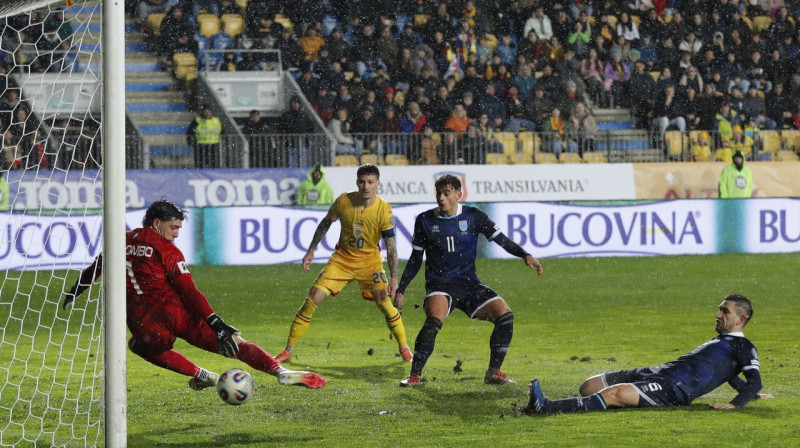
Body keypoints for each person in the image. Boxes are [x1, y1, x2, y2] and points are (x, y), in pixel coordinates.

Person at [62, 200, 326, 392]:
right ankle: (279, 371)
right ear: (157, 223)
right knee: (234, 343)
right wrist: (216, 323)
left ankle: (201, 374)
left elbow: (96, 268)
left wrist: (75, 290)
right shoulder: (168, 251)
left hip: (145, 324)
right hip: (178, 313)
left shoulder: (121, 240)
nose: (176, 234)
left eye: (179, 228)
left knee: (138, 346)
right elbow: (189, 290)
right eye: (173, 227)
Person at [396, 175, 543, 387]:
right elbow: (415, 258)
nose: (441, 198)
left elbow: (501, 240)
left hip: (469, 283)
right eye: (438, 193)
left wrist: (525, 255)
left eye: (446, 193)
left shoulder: (474, 216)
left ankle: (493, 372)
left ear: (458, 194)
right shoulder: (425, 220)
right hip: (440, 284)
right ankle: (414, 376)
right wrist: (401, 289)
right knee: (434, 321)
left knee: (505, 316)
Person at [525, 294, 764, 414]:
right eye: (719, 309)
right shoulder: (721, 343)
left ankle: (545, 408)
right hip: (657, 372)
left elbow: (755, 380)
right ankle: (619, 400)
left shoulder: (744, 346)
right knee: (589, 386)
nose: (718, 314)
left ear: (741, 319)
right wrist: (751, 394)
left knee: (614, 393)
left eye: (725, 311)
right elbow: (730, 376)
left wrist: (735, 404)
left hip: (672, 389)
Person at [274, 164, 412, 363]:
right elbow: (325, 223)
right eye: (362, 182)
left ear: (378, 184)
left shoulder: (384, 210)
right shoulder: (343, 201)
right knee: (313, 297)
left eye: (370, 182)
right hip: (342, 260)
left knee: (384, 302)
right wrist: (311, 249)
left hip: (370, 263)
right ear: (357, 182)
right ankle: (288, 350)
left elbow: (391, 249)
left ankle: (405, 348)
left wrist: (394, 279)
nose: (366, 186)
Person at [187, 104, 222, 169]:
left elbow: (222, 131)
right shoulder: (197, 120)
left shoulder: (216, 120)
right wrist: (190, 140)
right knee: (200, 164)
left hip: (214, 145)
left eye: (209, 111)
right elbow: (190, 131)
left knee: (214, 164)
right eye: (205, 111)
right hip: (201, 145)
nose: (207, 113)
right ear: (202, 112)